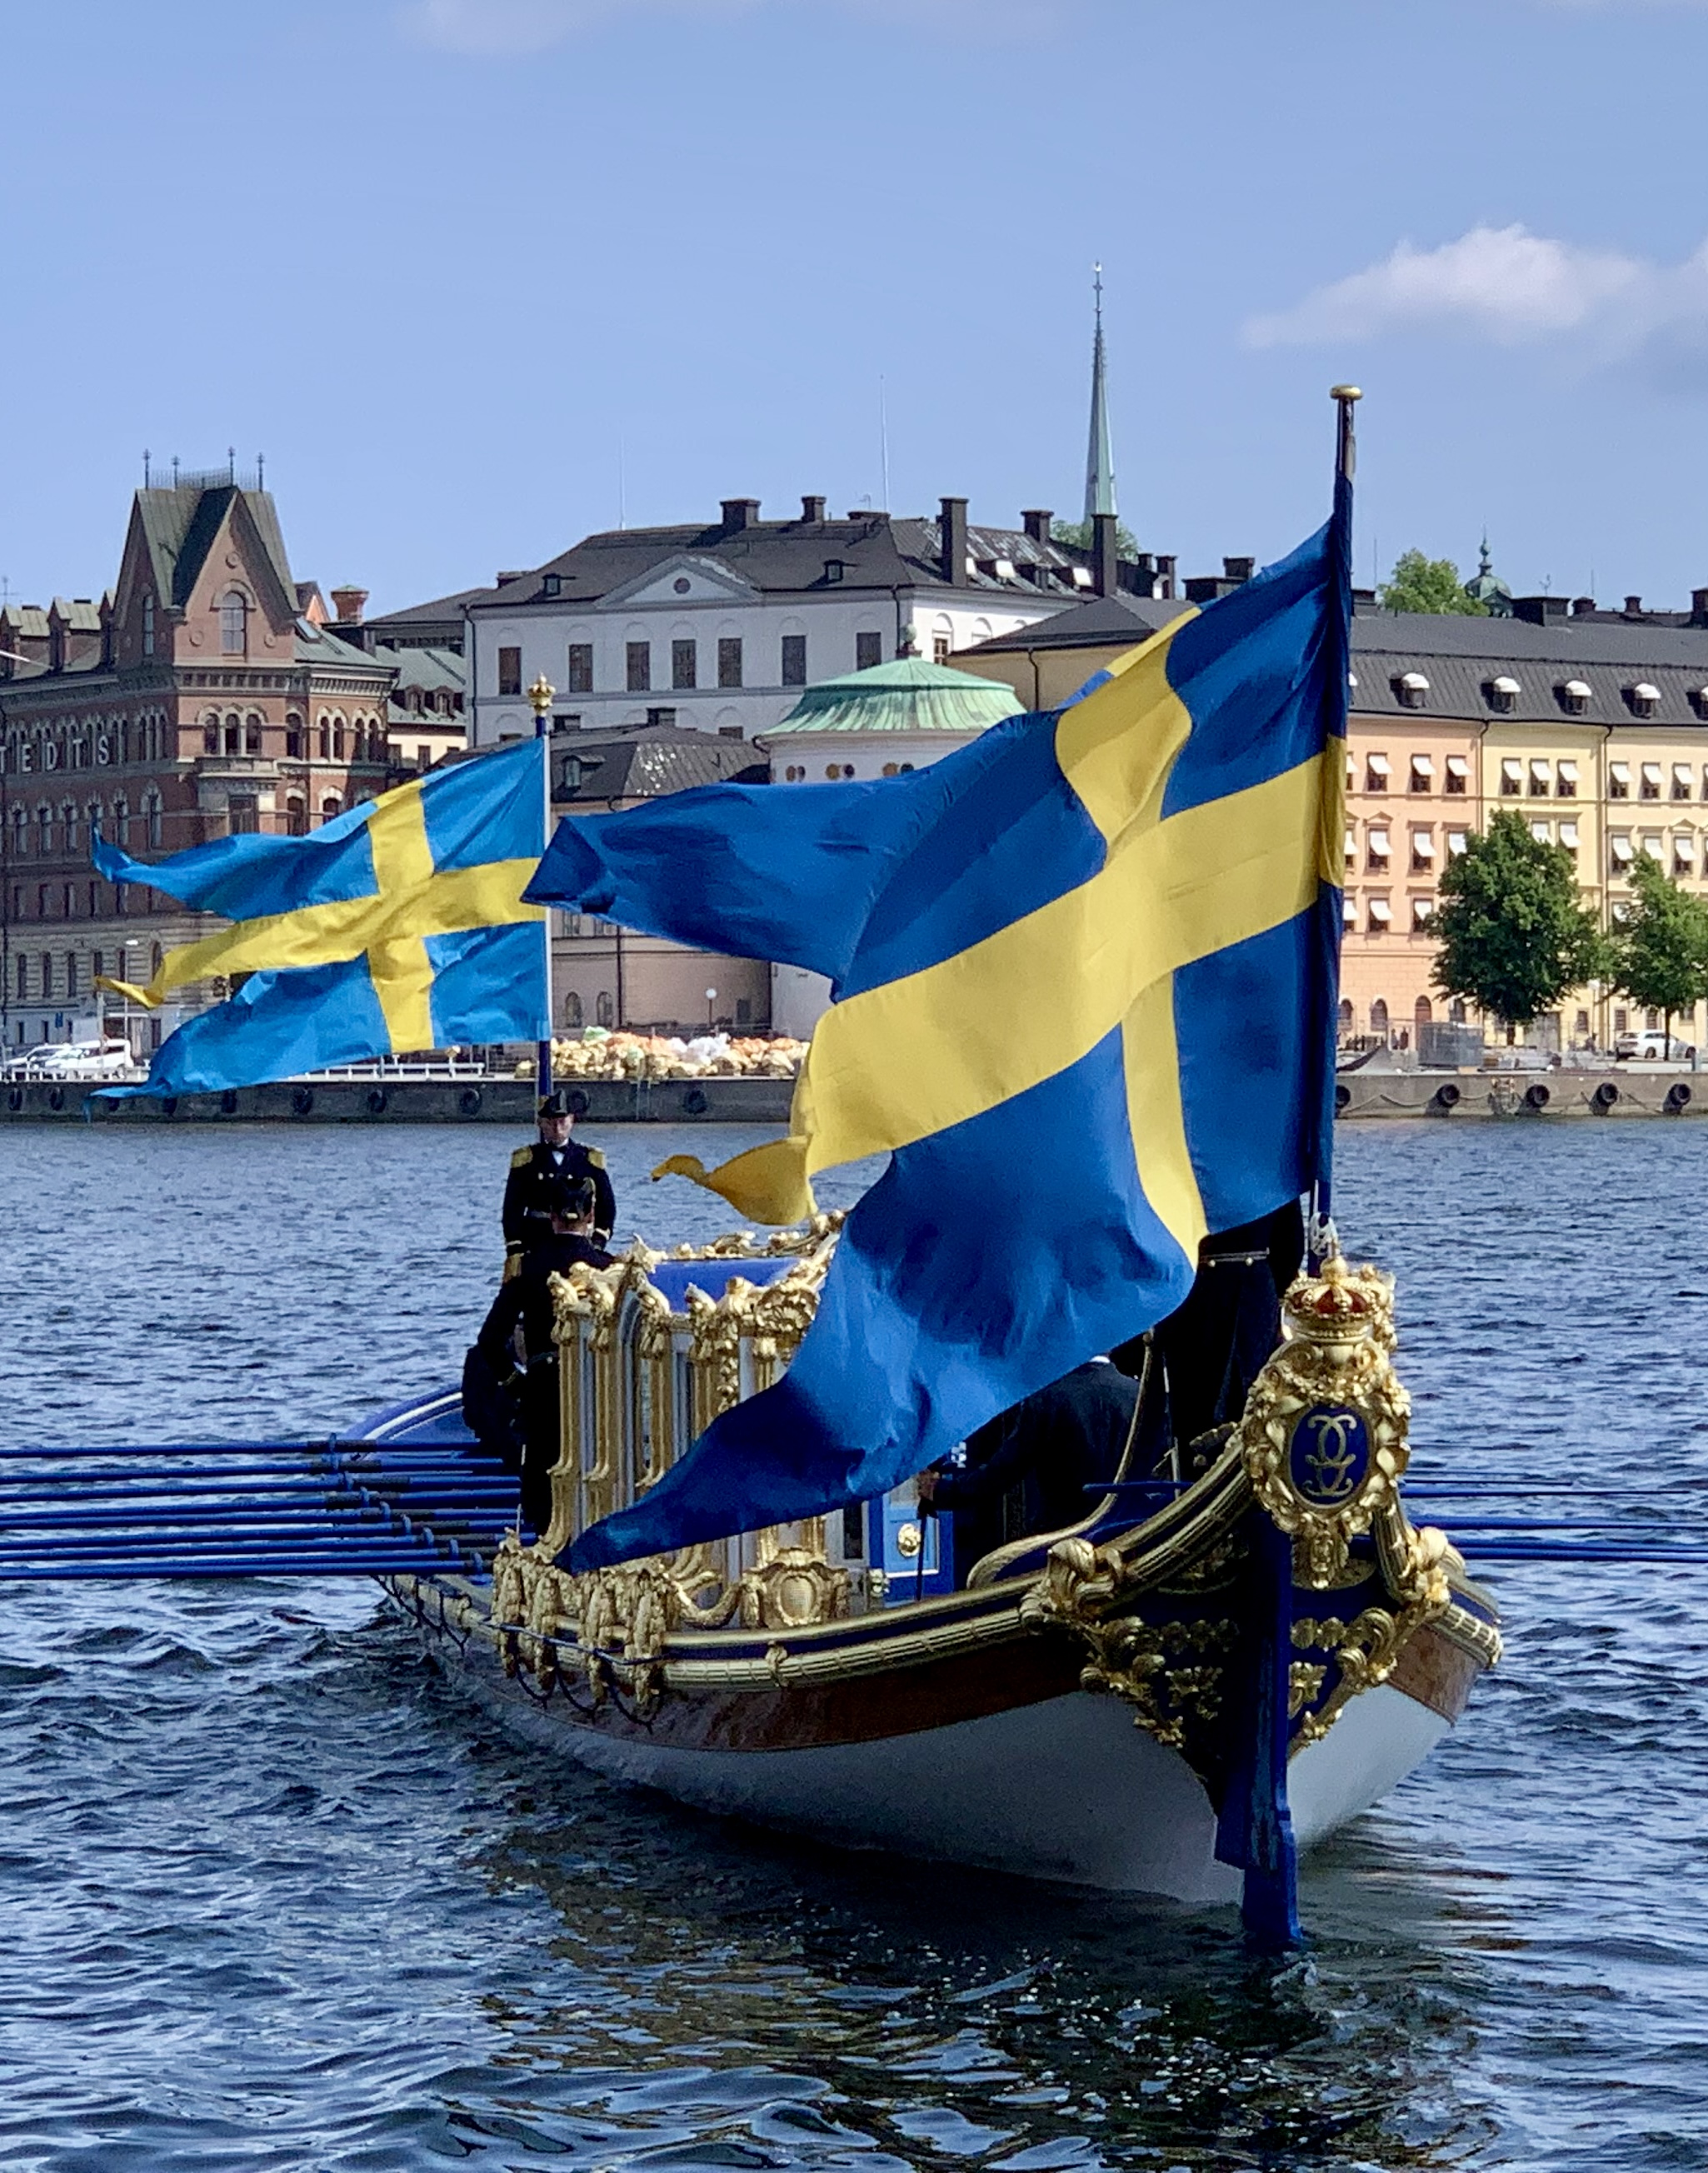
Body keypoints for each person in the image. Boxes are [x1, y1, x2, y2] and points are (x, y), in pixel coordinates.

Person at [467, 1173, 613, 1531]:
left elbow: (490, 1340)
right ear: (591, 1215)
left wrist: (518, 1384)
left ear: (551, 1216)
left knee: (542, 1486)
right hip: (599, 1389)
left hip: (544, 1387)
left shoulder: (529, 1267)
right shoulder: (611, 1269)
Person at [917, 1357, 1139, 1566]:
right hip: (1127, 1540)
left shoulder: (1049, 1398)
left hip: (1060, 1545)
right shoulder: (1137, 1394)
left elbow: (1002, 1472)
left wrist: (942, 1491)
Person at [502, 1091, 615, 1277]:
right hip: (537, 1242)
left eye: (562, 1121)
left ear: (572, 1121)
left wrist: (597, 1243)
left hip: (579, 1243)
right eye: (551, 1122)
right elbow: (512, 1210)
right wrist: (515, 1249)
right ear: (541, 1124)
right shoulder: (527, 1161)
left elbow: (607, 1207)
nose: (557, 1128)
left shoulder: (589, 1159)